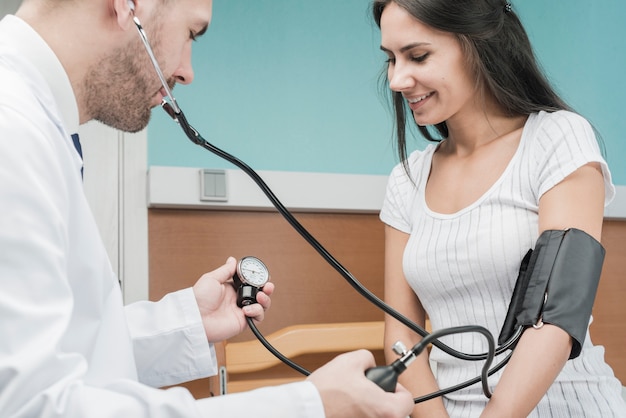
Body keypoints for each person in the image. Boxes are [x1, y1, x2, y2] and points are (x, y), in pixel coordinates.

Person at [0, 0, 416, 417]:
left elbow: (71, 348)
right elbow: (33, 407)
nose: (186, 71)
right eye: (191, 34)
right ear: (130, 6)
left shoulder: (33, 122)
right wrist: (308, 406)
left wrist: (184, 323)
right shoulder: (12, 133)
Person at [372, 0, 626, 417]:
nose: (398, 79)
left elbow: (557, 318)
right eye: (390, 59)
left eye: (417, 56)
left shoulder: (558, 140)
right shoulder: (407, 179)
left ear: (476, 43)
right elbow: (400, 334)